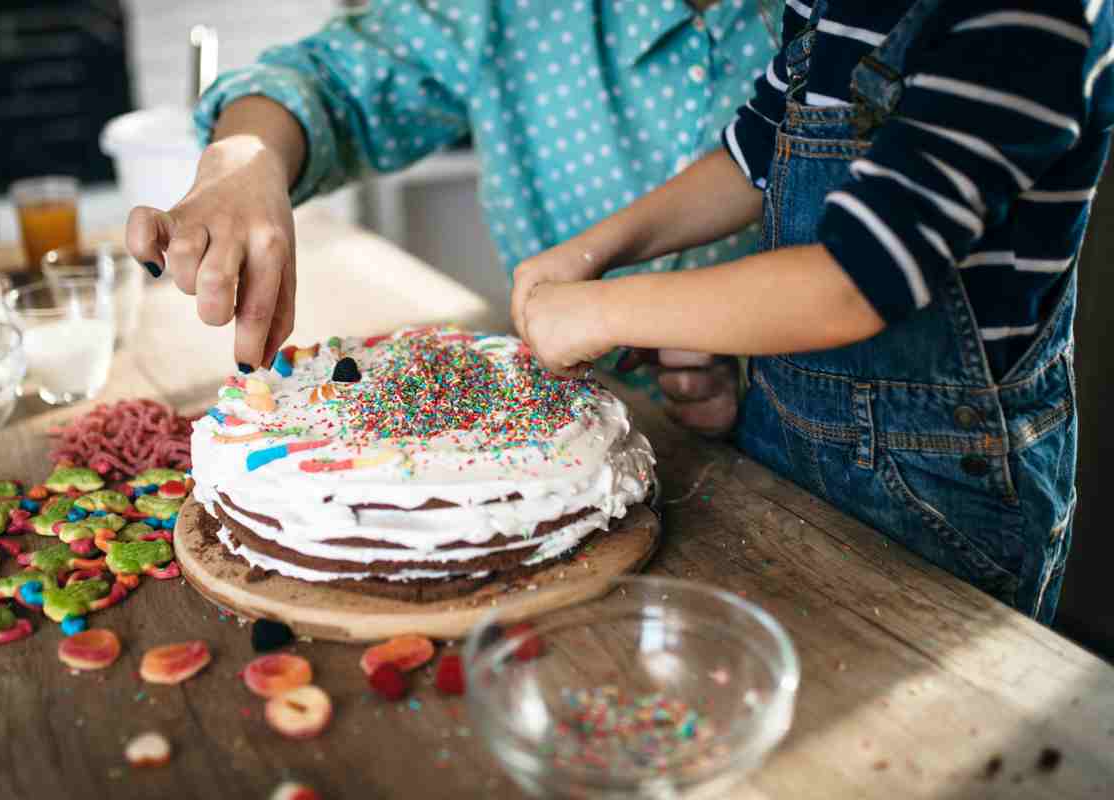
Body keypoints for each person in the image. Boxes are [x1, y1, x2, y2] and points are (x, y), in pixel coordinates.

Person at [512, 0, 1114, 622]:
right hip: (782, 437)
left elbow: (856, 281)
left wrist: (602, 312)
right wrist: (589, 252)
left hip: (944, 491)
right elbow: (753, 156)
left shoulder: (1037, 17)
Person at [124, 0, 778, 435]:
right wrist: (248, 156)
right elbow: (337, 82)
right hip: (543, 443)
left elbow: (865, 258)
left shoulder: (854, 28)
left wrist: (769, 374)